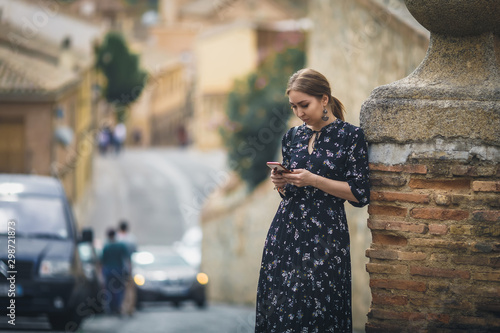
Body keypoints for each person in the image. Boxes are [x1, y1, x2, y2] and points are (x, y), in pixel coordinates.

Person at [255, 68, 370, 332]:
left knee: (319, 310)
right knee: (282, 310)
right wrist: (281, 183)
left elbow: (359, 193)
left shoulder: (351, 137)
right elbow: (292, 192)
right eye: (294, 106)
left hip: (326, 236)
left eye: (304, 105)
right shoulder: (292, 137)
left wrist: (314, 179)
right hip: (285, 234)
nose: (299, 113)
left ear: (324, 99)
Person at [101, 228, 130, 316]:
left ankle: (110, 308)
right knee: (118, 289)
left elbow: (102, 261)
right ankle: (118, 306)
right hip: (118, 270)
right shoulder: (121, 245)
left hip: (108, 270)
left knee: (108, 290)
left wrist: (101, 273)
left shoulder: (106, 246)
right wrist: (129, 270)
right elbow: (127, 258)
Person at [116, 220, 137, 316]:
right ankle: (130, 308)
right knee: (130, 289)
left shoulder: (116, 238)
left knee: (119, 289)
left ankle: (121, 307)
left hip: (116, 267)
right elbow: (135, 251)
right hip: (128, 266)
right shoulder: (131, 238)